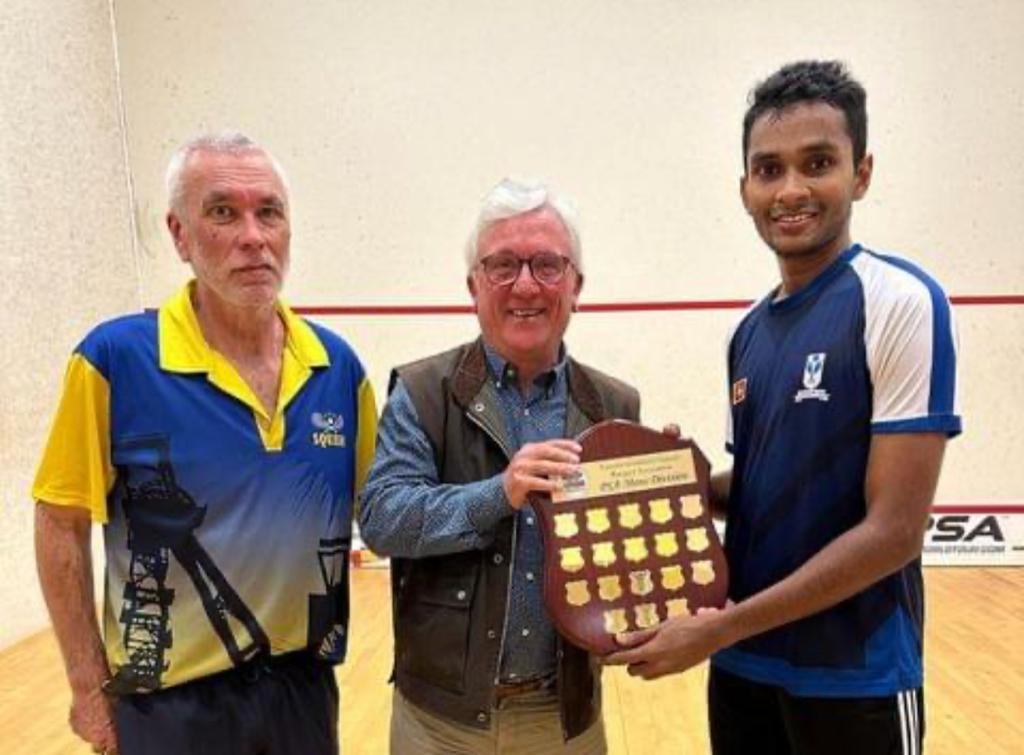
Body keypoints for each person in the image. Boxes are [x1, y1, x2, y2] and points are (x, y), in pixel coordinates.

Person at [608, 60, 961, 754]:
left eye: (818, 162)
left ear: (861, 173)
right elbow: (769, 487)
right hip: (743, 670)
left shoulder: (898, 302)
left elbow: (894, 530)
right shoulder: (747, 332)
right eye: (768, 169)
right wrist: (680, 484)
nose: (791, 189)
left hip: (855, 676)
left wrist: (719, 626)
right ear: (744, 188)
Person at [33, 131, 377, 754]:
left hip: (302, 691)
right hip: (168, 708)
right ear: (179, 234)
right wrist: (87, 690)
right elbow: (59, 522)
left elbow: (384, 512)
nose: (253, 235)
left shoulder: (338, 368)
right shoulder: (113, 361)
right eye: (223, 212)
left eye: (268, 212)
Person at [359, 178, 640, 754]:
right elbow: (383, 518)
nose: (526, 285)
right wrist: (498, 493)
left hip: (565, 720)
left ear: (577, 285)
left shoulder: (616, 405)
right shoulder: (421, 390)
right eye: (503, 265)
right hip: (439, 724)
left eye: (546, 265)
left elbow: (625, 560)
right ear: (473, 285)